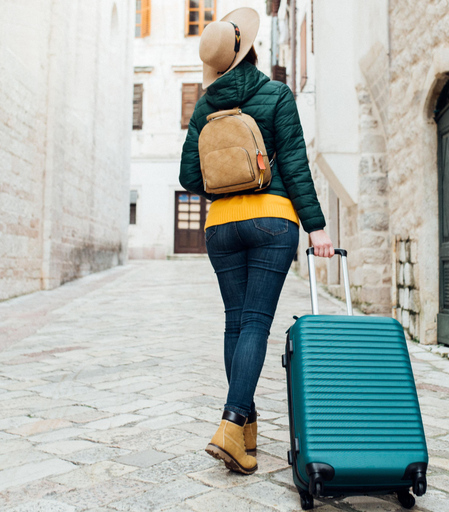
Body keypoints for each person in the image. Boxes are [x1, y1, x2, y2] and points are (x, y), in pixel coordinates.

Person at [179, 7, 333, 475]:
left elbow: (189, 177)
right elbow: (295, 166)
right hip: (271, 220)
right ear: (249, 51)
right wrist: (317, 227)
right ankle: (231, 423)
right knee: (255, 325)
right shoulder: (276, 94)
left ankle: (245, 432)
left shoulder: (205, 108)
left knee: (235, 323)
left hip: (221, 227)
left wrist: (226, 180)